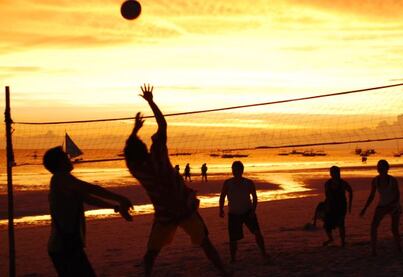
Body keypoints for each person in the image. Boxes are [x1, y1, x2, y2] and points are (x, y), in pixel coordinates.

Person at [124, 84, 229, 276]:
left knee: (151, 254)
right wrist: (151, 102)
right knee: (206, 244)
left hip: (165, 215)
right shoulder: (158, 156)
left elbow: (128, 152)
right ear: (145, 149)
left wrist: (133, 132)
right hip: (185, 208)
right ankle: (223, 272)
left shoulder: (137, 170)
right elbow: (162, 125)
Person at [43, 146, 133, 277]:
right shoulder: (61, 179)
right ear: (60, 162)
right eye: (66, 157)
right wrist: (120, 198)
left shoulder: (65, 180)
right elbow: (91, 189)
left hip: (67, 245)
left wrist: (116, 207)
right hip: (63, 246)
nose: (70, 159)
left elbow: (89, 198)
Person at [219, 161, 268, 263]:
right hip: (233, 214)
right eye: (233, 169)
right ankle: (233, 258)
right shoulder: (228, 183)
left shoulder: (248, 182)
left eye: (237, 169)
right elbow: (222, 196)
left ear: (242, 170)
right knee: (233, 238)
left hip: (247, 212)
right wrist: (221, 209)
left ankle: (264, 253)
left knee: (257, 233)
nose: (235, 171)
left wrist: (253, 210)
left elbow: (254, 197)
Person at [360, 159, 402, 256]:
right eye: (379, 167)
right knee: (373, 227)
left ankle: (399, 248)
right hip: (382, 205)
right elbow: (372, 196)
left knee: (394, 229)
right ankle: (373, 250)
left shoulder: (393, 180)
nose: (380, 169)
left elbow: (397, 195)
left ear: (387, 169)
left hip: (394, 205)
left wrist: (393, 205)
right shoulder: (375, 180)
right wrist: (365, 208)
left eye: (382, 167)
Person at [323, 166, 353, 247]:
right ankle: (331, 239)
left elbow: (350, 191)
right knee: (327, 225)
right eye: (332, 172)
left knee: (341, 224)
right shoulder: (328, 183)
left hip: (341, 206)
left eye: (336, 172)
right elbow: (327, 196)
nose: (335, 174)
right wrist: (326, 206)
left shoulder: (342, 183)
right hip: (331, 206)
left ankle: (343, 242)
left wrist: (350, 204)